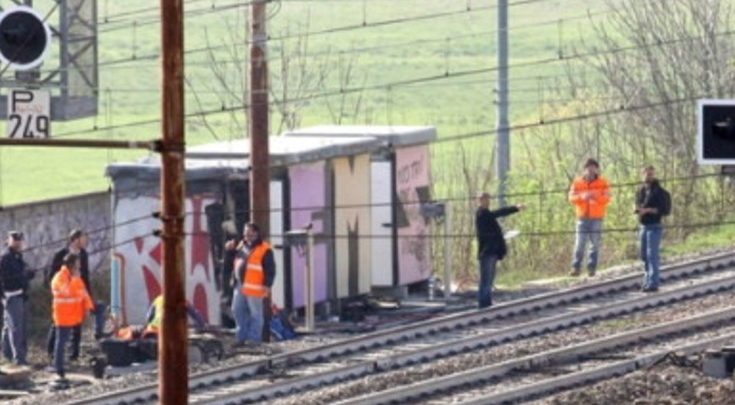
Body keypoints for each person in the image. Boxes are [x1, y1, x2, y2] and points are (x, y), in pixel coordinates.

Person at [46, 229, 105, 361]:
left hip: (77, 294)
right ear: (75, 239)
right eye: (83, 238)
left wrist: (87, 296)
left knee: (77, 324)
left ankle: (74, 353)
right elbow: (52, 276)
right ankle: (51, 352)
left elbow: (85, 277)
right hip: (63, 297)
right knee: (58, 326)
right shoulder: (61, 254)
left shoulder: (83, 254)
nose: (86, 241)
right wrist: (61, 290)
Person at [225, 223, 276, 346]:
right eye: (246, 232)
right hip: (240, 285)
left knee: (256, 314)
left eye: (251, 232)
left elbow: (270, 269)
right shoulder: (241, 246)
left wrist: (267, 284)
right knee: (237, 310)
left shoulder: (265, 249)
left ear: (257, 233)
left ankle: (254, 339)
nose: (248, 235)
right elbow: (233, 261)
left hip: (255, 286)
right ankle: (241, 337)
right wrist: (229, 250)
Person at [475, 193, 524, 308]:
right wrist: (515, 208)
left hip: (492, 252)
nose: (487, 202)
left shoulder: (486, 214)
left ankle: (487, 302)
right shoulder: (482, 214)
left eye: (488, 199)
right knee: (486, 279)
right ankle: (483, 304)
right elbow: (498, 213)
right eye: (484, 200)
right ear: (480, 201)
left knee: (489, 279)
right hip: (487, 252)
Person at [50, 253, 93, 379]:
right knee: (61, 342)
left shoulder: (75, 277)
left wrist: (88, 307)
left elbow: (83, 292)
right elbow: (67, 292)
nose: (79, 266)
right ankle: (58, 367)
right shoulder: (59, 278)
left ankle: (62, 364)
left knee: (65, 341)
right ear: (71, 265)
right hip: (63, 315)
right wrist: (74, 279)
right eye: (77, 263)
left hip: (74, 314)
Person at [568, 158, 611, 277]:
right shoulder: (577, 183)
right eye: (588, 167)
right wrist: (582, 197)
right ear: (584, 169)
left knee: (594, 244)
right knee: (579, 243)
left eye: (593, 167)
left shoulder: (603, 183)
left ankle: (591, 268)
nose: (591, 170)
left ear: (597, 169)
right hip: (581, 217)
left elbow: (607, 198)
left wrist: (595, 196)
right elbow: (571, 198)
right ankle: (575, 267)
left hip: (596, 217)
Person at [0, 231, 33, 366]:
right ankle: (19, 359)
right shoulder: (5, 258)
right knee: (16, 328)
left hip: (20, 294)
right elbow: (11, 277)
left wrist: (29, 274)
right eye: (15, 240)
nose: (18, 242)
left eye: (19, 240)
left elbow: (25, 272)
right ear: (8, 241)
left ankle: (6, 354)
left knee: (9, 326)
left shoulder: (18, 256)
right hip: (11, 295)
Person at [635, 166, 668, 292]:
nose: (648, 176)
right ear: (642, 175)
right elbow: (637, 205)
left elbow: (664, 209)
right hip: (643, 225)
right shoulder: (640, 191)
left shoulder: (659, 191)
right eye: (646, 174)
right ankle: (647, 279)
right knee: (644, 255)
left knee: (652, 255)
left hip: (654, 226)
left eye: (651, 174)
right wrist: (638, 210)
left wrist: (648, 210)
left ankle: (653, 283)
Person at [142, 294, 207, 338]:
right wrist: (202, 326)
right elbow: (195, 314)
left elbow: (148, 317)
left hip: (152, 330)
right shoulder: (182, 300)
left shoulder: (158, 299)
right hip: (169, 333)